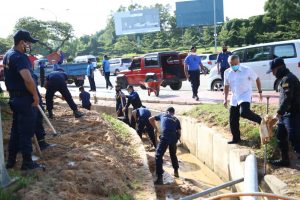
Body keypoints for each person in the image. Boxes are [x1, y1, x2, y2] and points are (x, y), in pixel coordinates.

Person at [3, 29, 44, 170]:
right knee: (26, 131)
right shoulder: (20, 57)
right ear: (21, 42)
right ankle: (27, 163)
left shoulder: (8, 55)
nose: (29, 45)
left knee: (16, 131)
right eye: (28, 43)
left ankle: (10, 161)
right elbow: (27, 79)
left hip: (15, 99)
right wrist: (35, 95)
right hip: (25, 100)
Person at [267, 58, 300, 166]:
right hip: (285, 114)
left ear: (279, 68)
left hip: (293, 114)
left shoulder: (288, 79)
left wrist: (279, 113)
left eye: (273, 71)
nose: (272, 73)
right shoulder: (283, 79)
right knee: (280, 136)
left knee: (295, 139)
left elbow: (287, 99)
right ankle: (284, 160)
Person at [224, 55, 262, 144]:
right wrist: (225, 99)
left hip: (245, 95)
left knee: (244, 112)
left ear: (239, 62)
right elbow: (226, 85)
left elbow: (257, 78)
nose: (233, 66)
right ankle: (236, 138)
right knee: (233, 119)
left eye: (235, 64)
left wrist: (259, 91)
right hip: (234, 97)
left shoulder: (247, 70)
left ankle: (260, 120)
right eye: (231, 64)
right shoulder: (227, 72)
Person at [149, 107, 181, 185]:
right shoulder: (176, 119)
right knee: (173, 154)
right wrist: (177, 140)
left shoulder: (163, 114)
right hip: (174, 137)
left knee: (158, 155)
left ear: (167, 111)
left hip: (165, 136)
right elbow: (179, 132)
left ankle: (159, 178)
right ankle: (176, 171)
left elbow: (150, 119)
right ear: (173, 113)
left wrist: (155, 128)